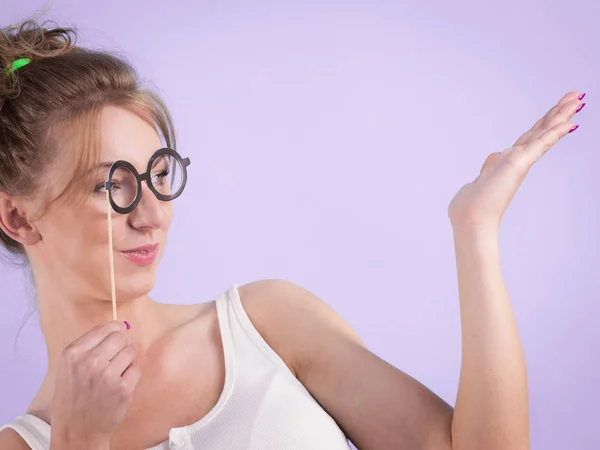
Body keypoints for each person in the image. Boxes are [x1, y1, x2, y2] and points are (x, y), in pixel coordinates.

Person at [0, 19, 586, 450]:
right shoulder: (28, 444)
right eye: (112, 186)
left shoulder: (264, 324)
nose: (151, 214)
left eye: (158, 175)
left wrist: (475, 231)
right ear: (19, 219)